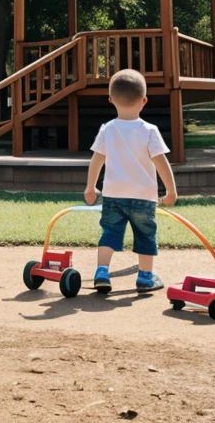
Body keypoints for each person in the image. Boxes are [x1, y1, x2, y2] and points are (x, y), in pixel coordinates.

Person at [84, 68, 177, 295]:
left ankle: (102, 272)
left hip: (114, 195)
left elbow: (97, 159)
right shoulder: (149, 130)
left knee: (110, 232)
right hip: (144, 197)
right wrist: (171, 190)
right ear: (144, 100)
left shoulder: (108, 129)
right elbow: (161, 162)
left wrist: (90, 187)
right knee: (145, 234)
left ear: (111, 100)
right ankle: (145, 277)